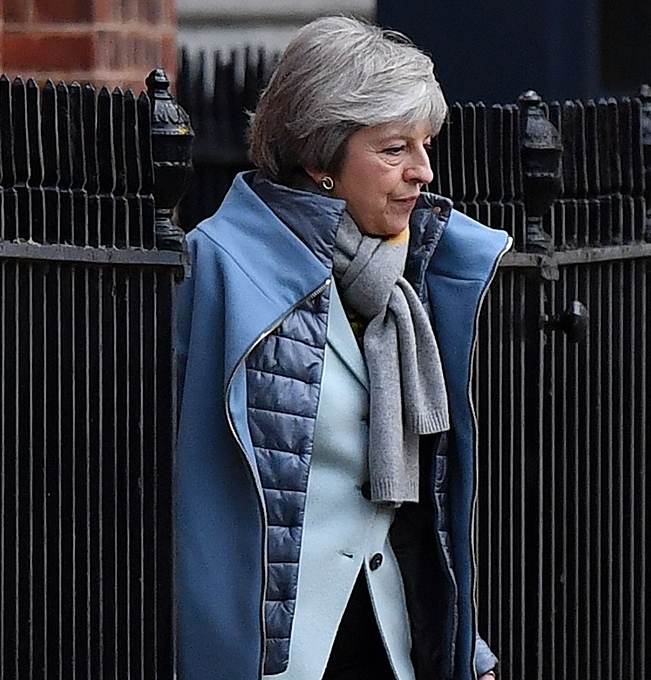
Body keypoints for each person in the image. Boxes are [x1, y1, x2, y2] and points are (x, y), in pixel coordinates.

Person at [174, 15, 508, 680]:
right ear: (321, 157)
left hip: (389, 649)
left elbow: (426, 513)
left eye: (425, 144)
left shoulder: (409, 283)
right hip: (272, 657)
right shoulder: (214, 268)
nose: (423, 171)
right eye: (393, 150)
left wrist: (466, 648)